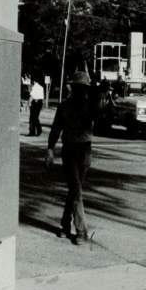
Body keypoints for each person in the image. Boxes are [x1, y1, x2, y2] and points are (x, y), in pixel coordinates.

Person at [46, 71, 95, 243]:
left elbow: (102, 113)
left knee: (76, 190)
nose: (82, 91)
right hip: (70, 151)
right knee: (76, 191)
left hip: (85, 150)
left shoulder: (90, 106)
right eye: (78, 87)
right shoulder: (64, 106)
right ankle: (81, 231)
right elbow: (55, 129)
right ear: (73, 88)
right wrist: (50, 149)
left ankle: (65, 224)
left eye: (84, 88)